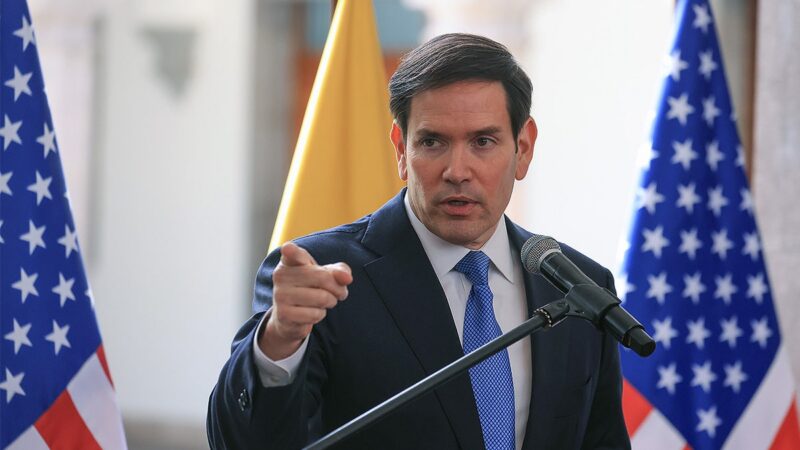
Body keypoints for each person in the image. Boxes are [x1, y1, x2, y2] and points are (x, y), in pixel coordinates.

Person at [207, 33, 630, 450]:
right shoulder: (321, 278)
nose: (457, 171)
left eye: (483, 142)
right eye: (432, 142)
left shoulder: (579, 289)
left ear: (523, 148)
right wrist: (279, 340)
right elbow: (244, 443)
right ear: (401, 150)